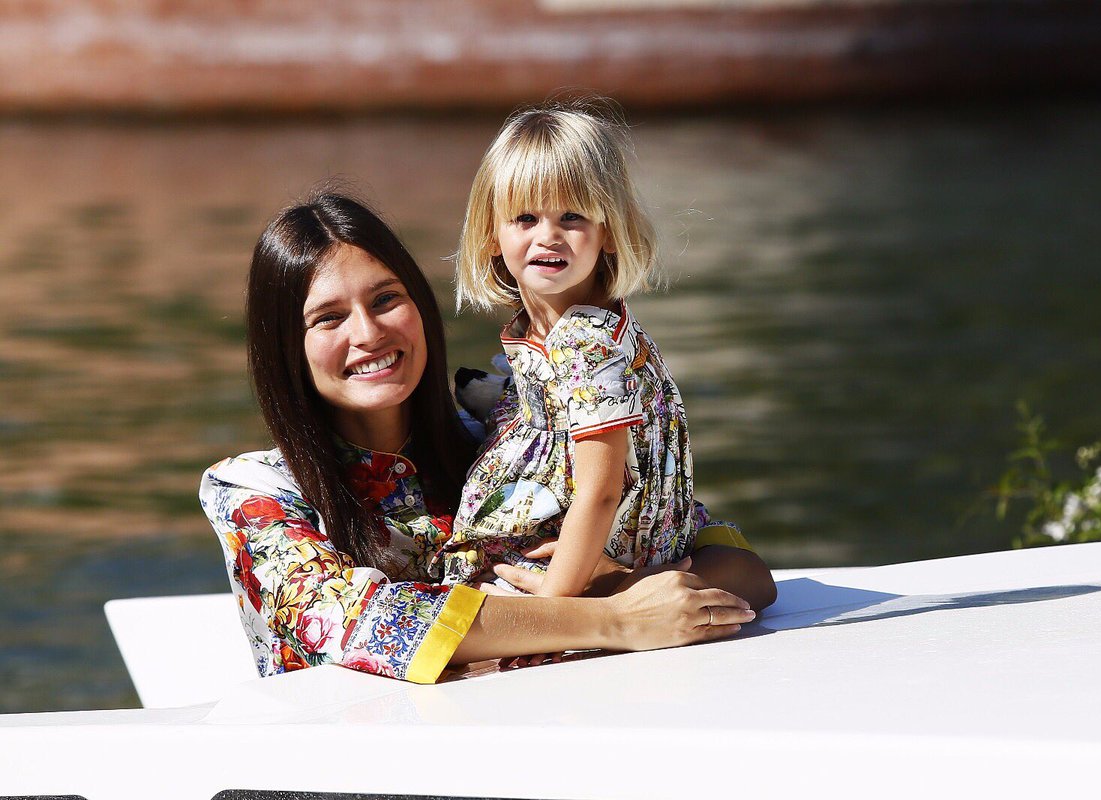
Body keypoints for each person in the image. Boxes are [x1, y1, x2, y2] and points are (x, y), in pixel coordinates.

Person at [200, 192, 770, 685]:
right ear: (286, 350)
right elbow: (368, 623)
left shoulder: (505, 440)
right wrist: (615, 617)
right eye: (328, 319)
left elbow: (740, 569)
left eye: (385, 300)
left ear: (421, 306)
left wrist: (624, 580)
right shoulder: (255, 493)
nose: (368, 334)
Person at [448, 98, 738, 598]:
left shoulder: (586, 345)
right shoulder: (577, 324)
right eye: (524, 218)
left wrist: (553, 607)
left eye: (572, 217)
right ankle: (508, 403)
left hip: (601, 546)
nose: (549, 236)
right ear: (491, 234)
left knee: (459, 588)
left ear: (608, 232)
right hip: (641, 522)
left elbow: (601, 492)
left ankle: (616, 588)